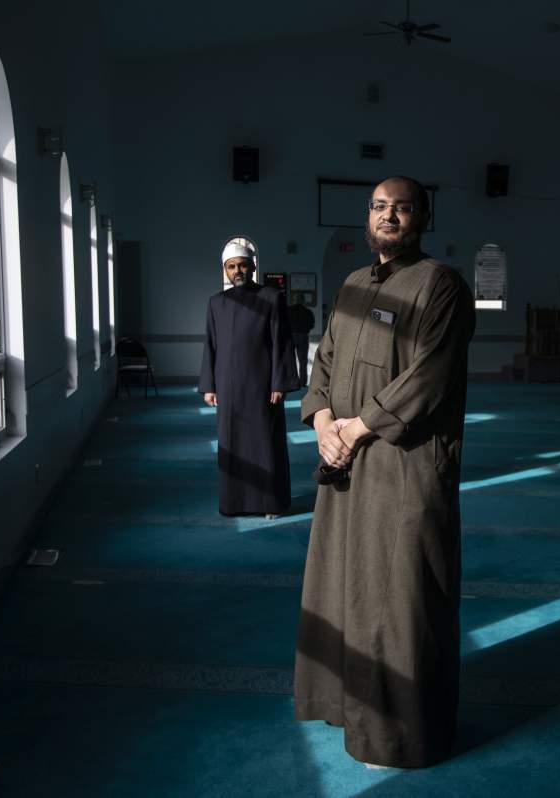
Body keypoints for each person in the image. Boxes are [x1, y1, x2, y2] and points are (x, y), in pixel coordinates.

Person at [294, 176, 475, 768]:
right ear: (366, 218)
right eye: (378, 207)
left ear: (422, 215)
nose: (388, 217)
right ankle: (351, 710)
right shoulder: (351, 284)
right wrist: (322, 422)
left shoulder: (441, 285)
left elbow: (428, 377)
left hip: (404, 467)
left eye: (401, 208)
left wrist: (352, 430)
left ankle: (400, 737)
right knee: (344, 588)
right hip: (344, 467)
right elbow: (323, 358)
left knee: (400, 601)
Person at [198, 242, 298, 517]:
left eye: (242, 265)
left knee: (265, 443)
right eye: (232, 266)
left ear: (253, 266)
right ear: (225, 271)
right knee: (230, 443)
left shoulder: (271, 297)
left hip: (262, 385)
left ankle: (270, 503)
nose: (237, 270)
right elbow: (210, 345)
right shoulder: (216, 303)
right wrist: (209, 385)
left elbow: (282, 342)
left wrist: (280, 382)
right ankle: (234, 504)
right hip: (227, 387)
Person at [286, 291, 315, 388]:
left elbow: (283, 324)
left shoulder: (288, 310)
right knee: (303, 361)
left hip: (290, 337)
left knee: (291, 360)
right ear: (303, 300)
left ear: (294, 300)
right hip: (303, 336)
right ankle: (303, 382)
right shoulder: (308, 312)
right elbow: (312, 325)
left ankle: (292, 382)